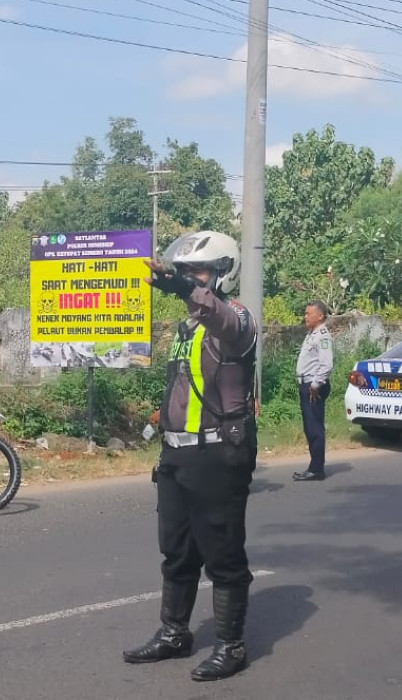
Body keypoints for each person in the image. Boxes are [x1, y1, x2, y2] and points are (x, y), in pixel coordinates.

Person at [123, 231, 258, 683]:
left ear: (223, 272)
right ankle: (174, 632)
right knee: (177, 550)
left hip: (219, 453)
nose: (187, 280)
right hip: (177, 455)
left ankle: (231, 645)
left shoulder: (236, 318)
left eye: (196, 272)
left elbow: (222, 318)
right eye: (181, 273)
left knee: (222, 553)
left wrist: (184, 290)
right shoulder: (186, 328)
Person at [294, 301, 334, 482]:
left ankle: (316, 469)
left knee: (314, 428)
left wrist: (315, 384)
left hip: (313, 387)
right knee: (310, 428)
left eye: (308, 313)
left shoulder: (322, 336)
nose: (305, 316)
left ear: (320, 316)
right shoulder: (312, 334)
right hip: (307, 384)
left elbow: (326, 364)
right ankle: (314, 466)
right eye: (305, 313)